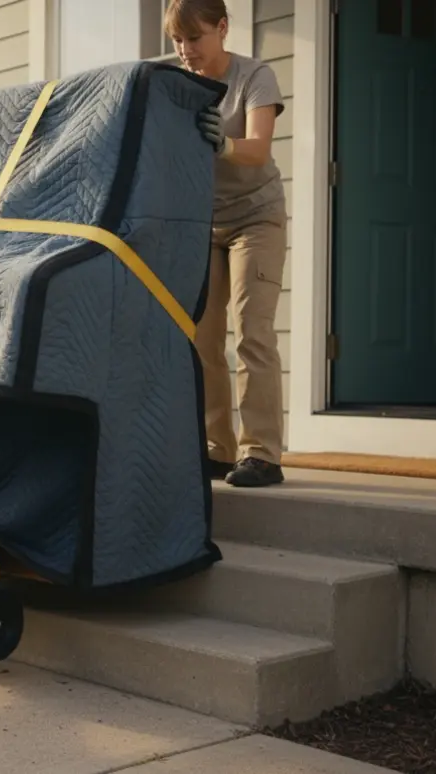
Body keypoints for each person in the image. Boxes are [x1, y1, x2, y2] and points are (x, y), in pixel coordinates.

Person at [170, 0, 290, 488]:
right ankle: (217, 449)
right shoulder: (178, 85)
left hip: (256, 218)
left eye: (194, 38)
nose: (185, 49)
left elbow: (259, 149)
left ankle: (261, 454)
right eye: (177, 40)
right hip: (203, 223)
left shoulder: (254, 77)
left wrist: (225, 143)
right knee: (202, 338)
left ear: (222, 28)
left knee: (253, 331)